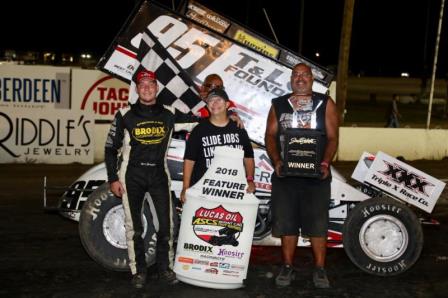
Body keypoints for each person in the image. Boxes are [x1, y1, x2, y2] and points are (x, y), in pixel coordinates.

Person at [104, 70, 195, 288]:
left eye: (150, 84)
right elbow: (110, 149)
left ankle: (165, 268)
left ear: (157, 87)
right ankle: (139, 271)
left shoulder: (169, 113)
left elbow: (198, 123)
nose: (146, 88)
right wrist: (113, 179)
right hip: (131, 176)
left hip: (158, 175)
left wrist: (228, 116)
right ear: (136, 88)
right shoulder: (124, 114)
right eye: (142, 85)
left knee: (167, 225)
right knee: (133, 227)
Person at [264, 63, 339, 288]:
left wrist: (325, 162)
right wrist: (277, 160)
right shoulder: (278, 104)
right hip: (286, 175)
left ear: (312, 79)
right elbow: (269, 135)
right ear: (290, 79)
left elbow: (334, 138)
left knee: (317, 224)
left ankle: (320, 269)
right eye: (295, 75)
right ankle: (287, 267)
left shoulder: (326, 103)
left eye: (304, 75)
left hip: (316, 177)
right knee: (286, 223)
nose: (300, 79)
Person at [181, 88, 256, 203]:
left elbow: (248, 157)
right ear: (207, 106)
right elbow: (189, 160)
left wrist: (250, 179)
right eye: (211, 100)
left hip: (231, 192)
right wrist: (185, 187)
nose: (215, 103)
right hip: (202, 191)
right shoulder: (199, 130)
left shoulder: (238, 129)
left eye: (219, 100)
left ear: (227, 104)